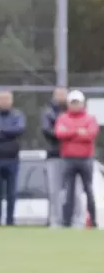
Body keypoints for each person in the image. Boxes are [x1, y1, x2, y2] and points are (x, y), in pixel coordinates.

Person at [56, 89, 100, 228]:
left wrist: (70, 133)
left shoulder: (90, 118)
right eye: (72, 102)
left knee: (89, 190)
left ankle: (93, 221)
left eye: (77, 102)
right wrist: (78, 131)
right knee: (68, 191)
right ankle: (66, 222)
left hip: (85, 159)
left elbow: (90, 134)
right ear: (69, 104)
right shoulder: (62, 118)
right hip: (68, 159)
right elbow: (59, 133)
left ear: (82, 103)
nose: (75, 105)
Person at [0, 90, 26, 225]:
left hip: (12, 159)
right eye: (1, 99)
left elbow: (19, 130)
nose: (4, 101)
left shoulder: (17, 115)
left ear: (12, 100)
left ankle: (10, 221)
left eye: (7, 99)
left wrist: (0, 130)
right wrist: (8, 132)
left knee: (11, 193)